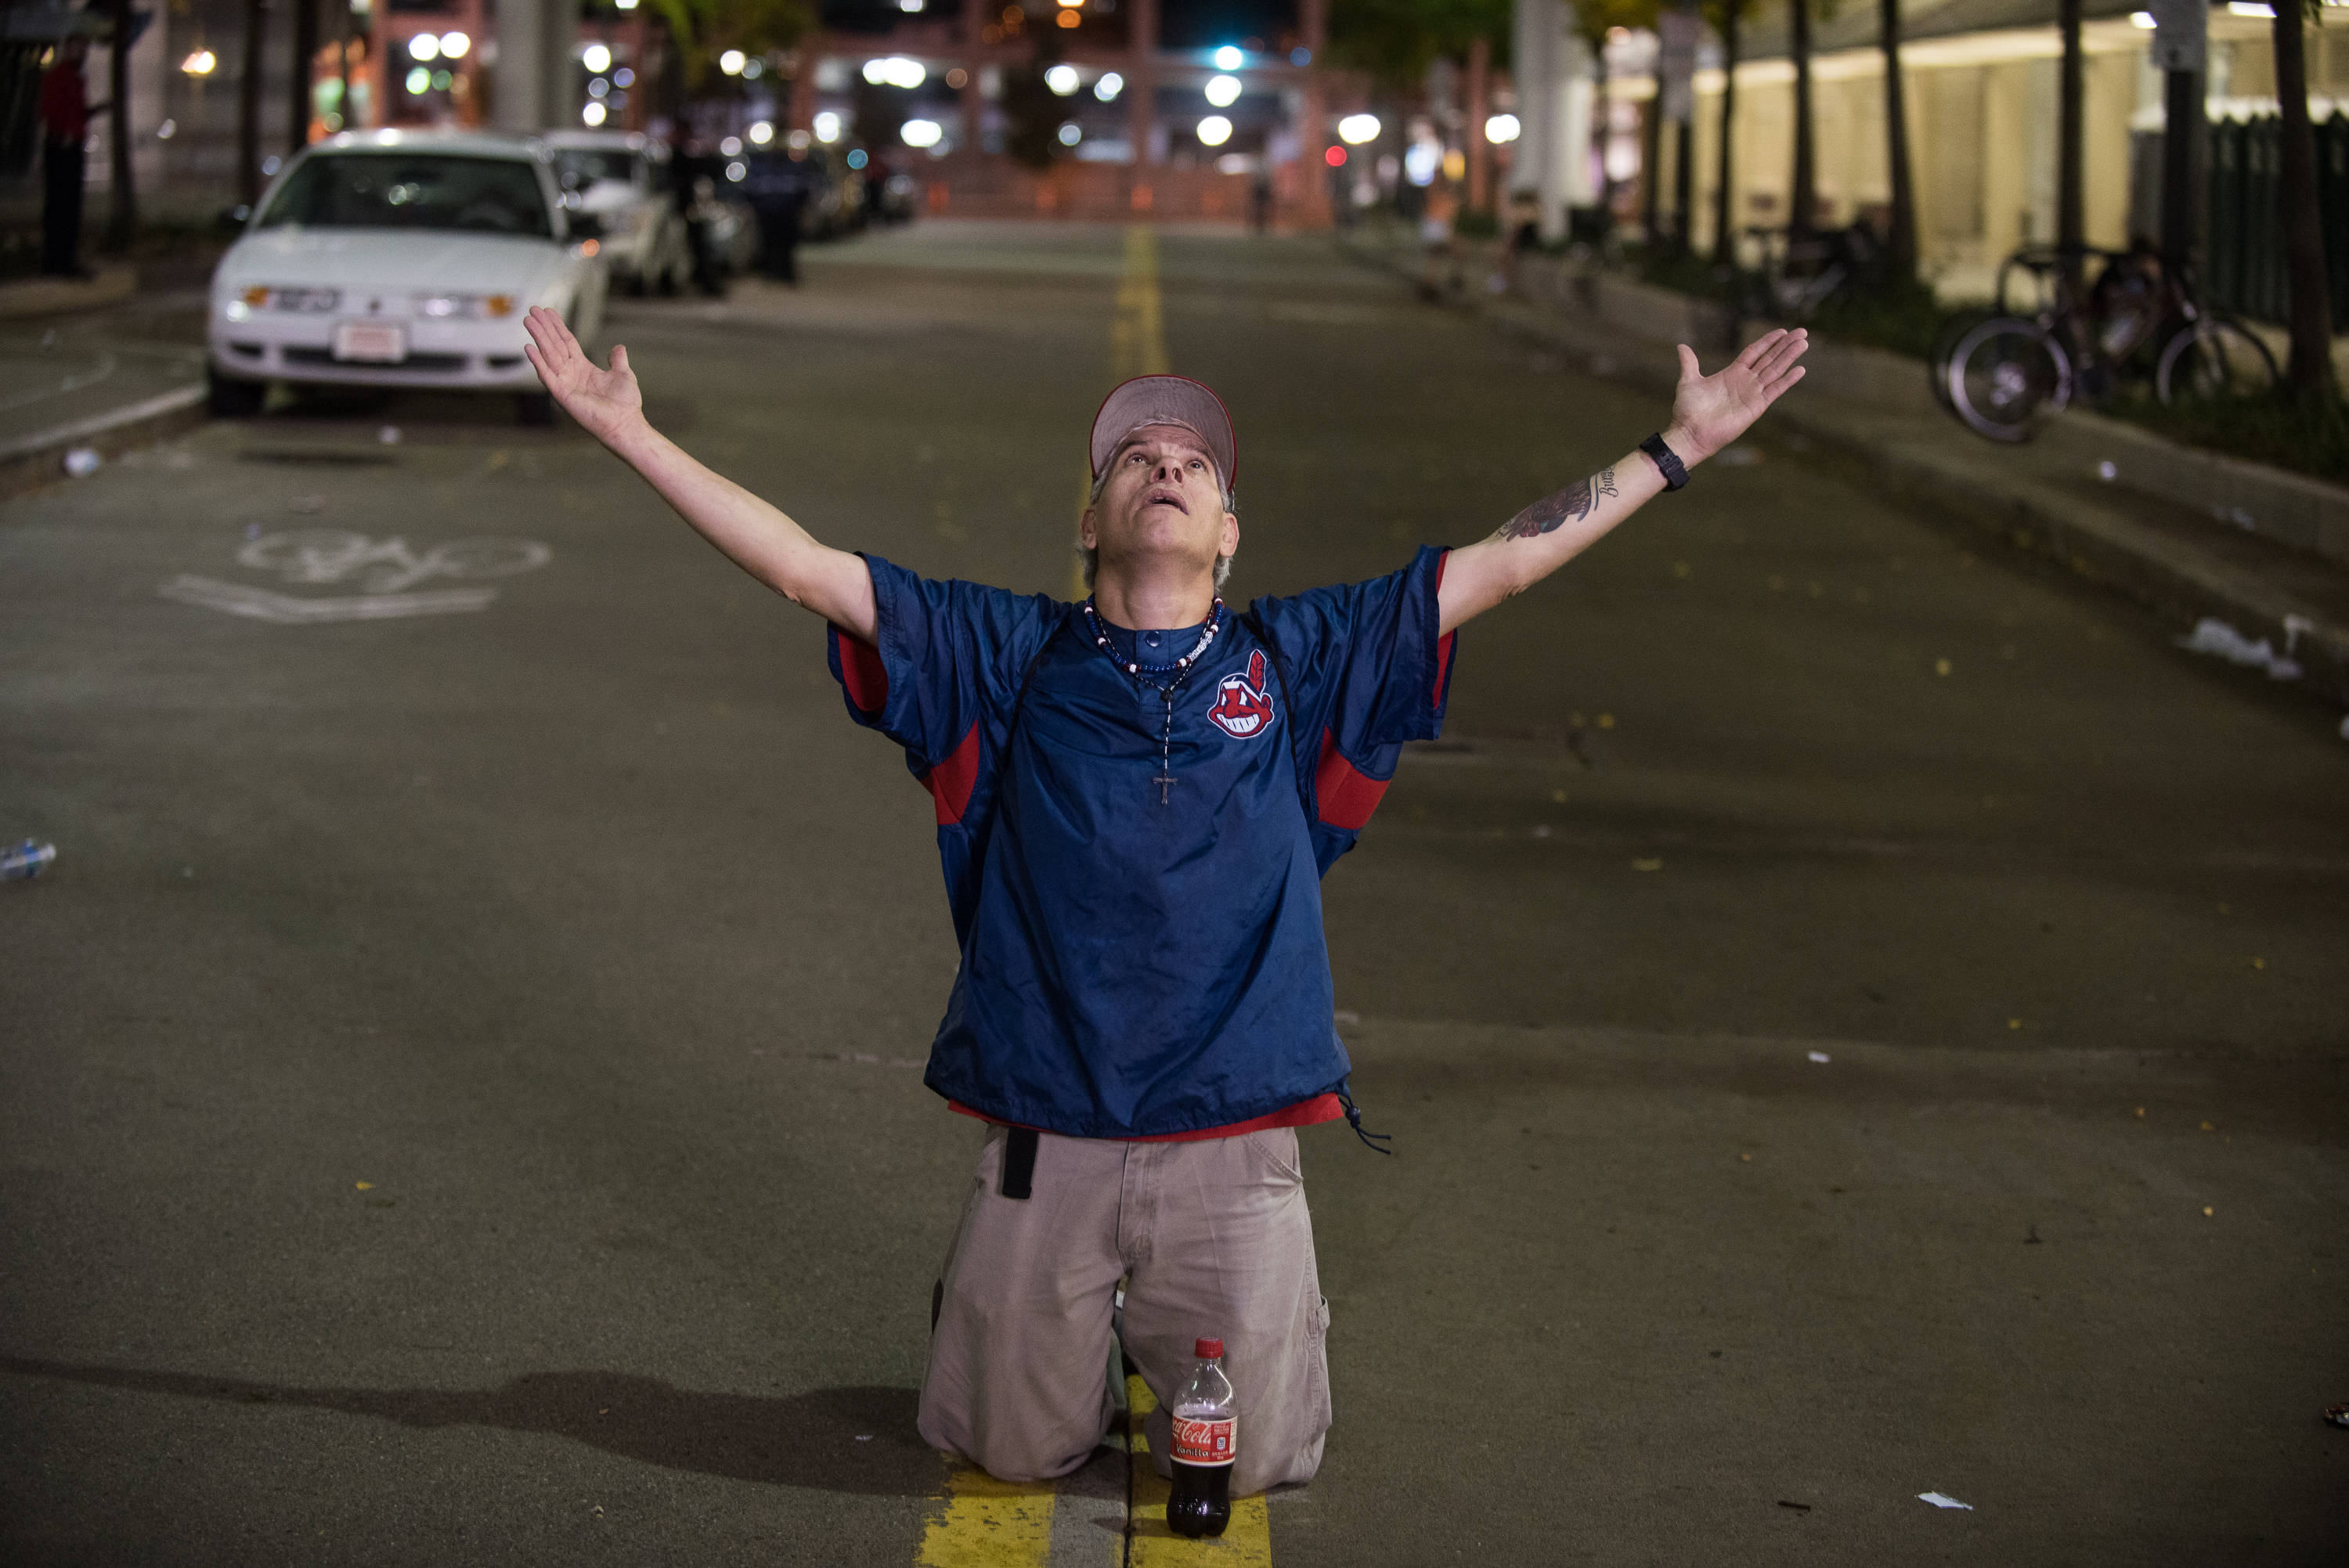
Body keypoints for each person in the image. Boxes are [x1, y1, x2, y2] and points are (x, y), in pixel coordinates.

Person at [518, 306, 1809, 1496]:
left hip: (1236, 1123)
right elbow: (804, 569)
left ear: (1230, 531)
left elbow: (1503, 566)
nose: (1166, 465)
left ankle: (1161, 1331)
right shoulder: (1000, 656)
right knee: (1010, 1453)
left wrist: (1673, 451)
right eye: (1134, 458)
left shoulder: (1301, 658)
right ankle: (1050, 1332)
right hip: (1045, 1116)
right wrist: (631, 432)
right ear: (1090, 520)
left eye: (1193, 460)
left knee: (1242, 1465)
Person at [39, 34, 105, 279]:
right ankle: (58, 261)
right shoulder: (59, 76)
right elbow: (52, 110)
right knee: (61, 205)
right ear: (67, 50)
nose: (80, 54)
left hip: (72, 145)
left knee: (69, 205)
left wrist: (93, 111)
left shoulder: (78, 79)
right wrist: (65, 133)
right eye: (75, 49)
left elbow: (76, 113)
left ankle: (63, 259)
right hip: (62, 146)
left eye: (83, 49)